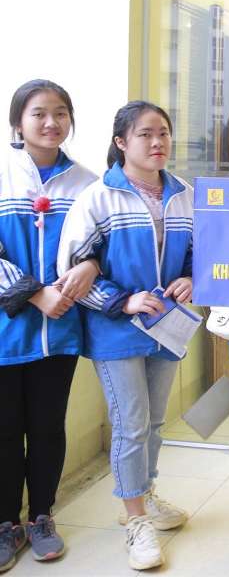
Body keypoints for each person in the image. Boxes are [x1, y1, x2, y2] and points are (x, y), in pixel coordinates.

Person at [58, 101, 193, 571]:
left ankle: (145, 494)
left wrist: (192, 278)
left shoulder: (183, 194)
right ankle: (136, 519)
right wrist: (123, 301)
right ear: (121, 142)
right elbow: (71, 268)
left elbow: (202, 253)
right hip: (116, 330)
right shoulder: (98, 197)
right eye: (145, 134)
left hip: (167, 329)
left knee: (154, 422)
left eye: (163, 133)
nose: (157, 142)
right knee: (131, 422)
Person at [0, 79, 99, 571]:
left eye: (60, 113)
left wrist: (90, 267)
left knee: (46, 426)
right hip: (6, 329)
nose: (51, 122)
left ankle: (42, 516)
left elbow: (97, 246)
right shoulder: (2, 175)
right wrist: (34, 292)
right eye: (38, 113)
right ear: (18, 122)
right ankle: (5, 523)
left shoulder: (86, 183)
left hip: (59, 330)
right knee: (3, 430)